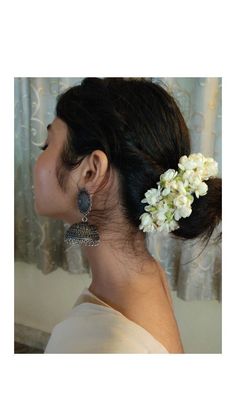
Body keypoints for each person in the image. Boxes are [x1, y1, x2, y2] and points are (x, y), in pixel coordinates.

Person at [33, 77, 221, 354]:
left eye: (47, 145)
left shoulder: (99, 347)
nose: (37, 161)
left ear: (90, 172)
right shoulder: (147, 272)